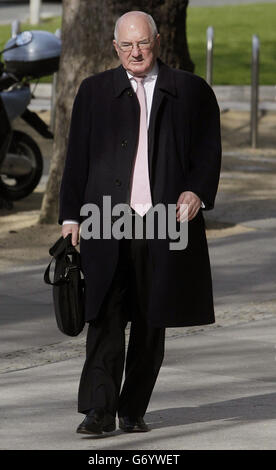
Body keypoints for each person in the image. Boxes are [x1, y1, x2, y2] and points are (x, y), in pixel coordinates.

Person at [59, 10, 221, 435]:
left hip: (163, 221)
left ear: (158, 41)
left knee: (153, 319)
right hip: (105, 220)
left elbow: (208, 151)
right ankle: (99, 410)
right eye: (127, 45)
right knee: (105, 316)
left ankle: (133, 409)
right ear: (115, 47)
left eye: (142, 43)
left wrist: (196, 190)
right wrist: (70, 216)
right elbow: (76, 158)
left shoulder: (190, 91)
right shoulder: (94, 92)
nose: (135, 52)